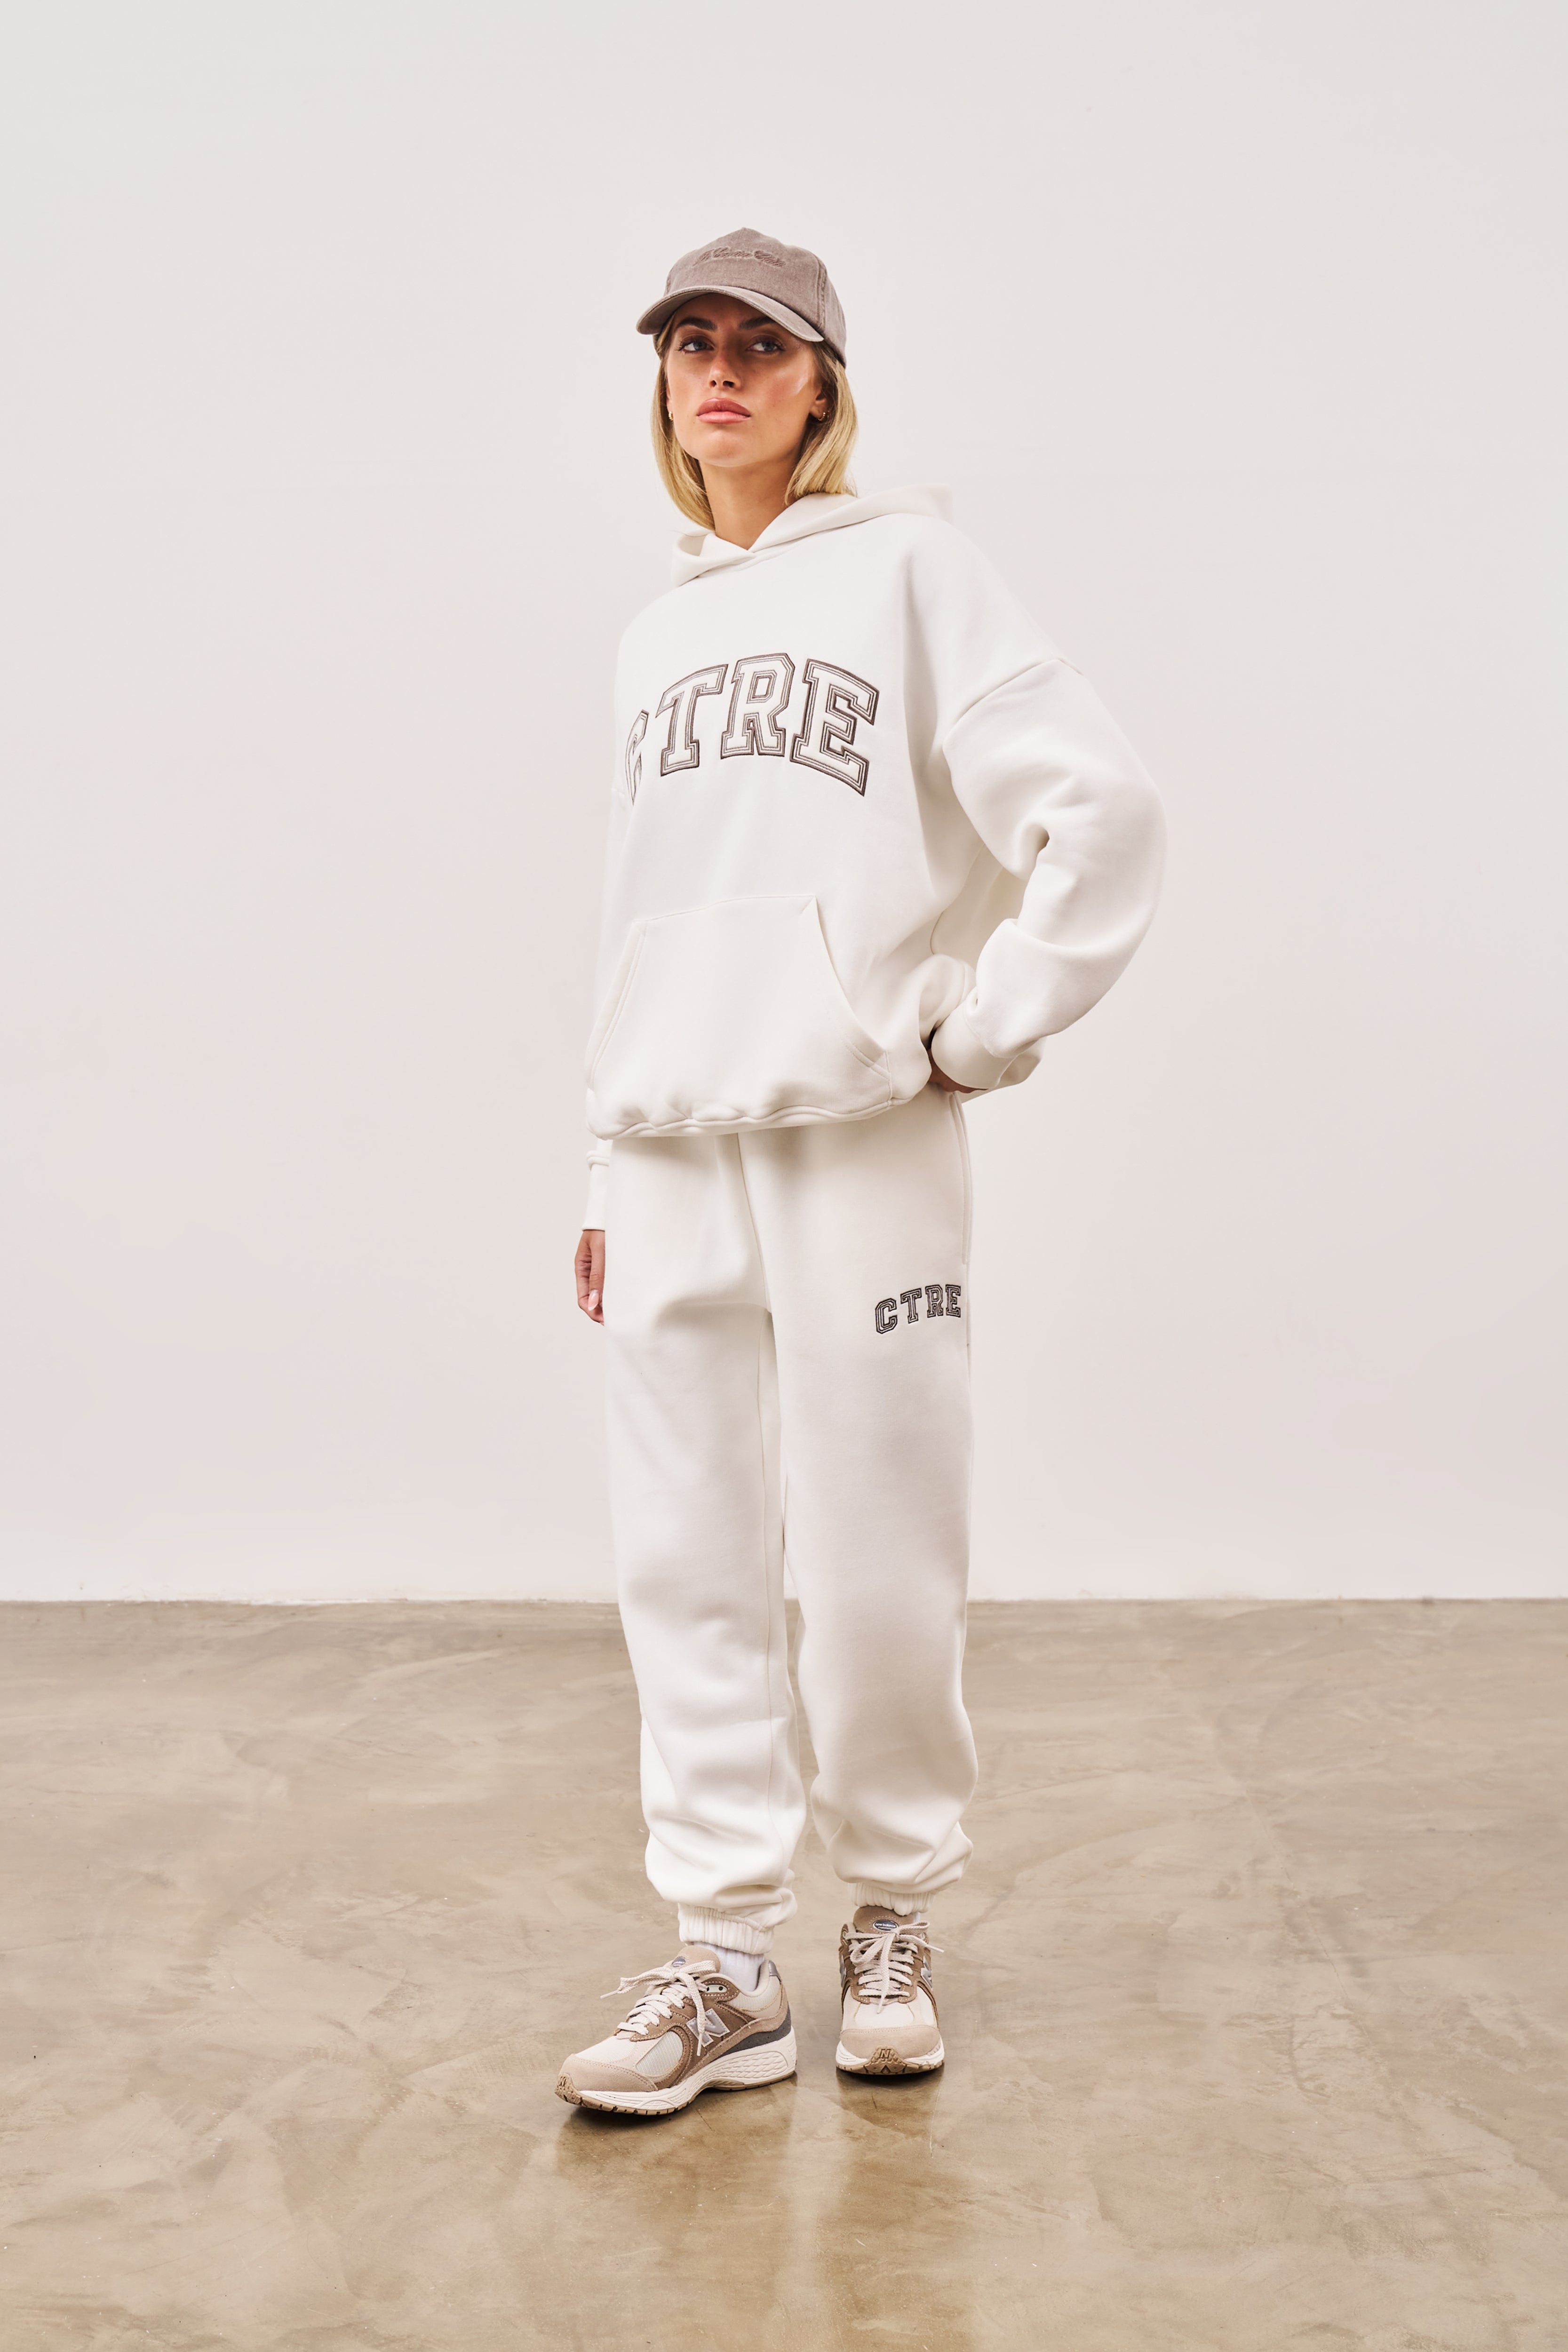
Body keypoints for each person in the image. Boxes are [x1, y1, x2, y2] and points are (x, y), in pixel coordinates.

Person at [555, 230, 1164, 2116]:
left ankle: (891, 1915)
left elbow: (1102, 810)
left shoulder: (915, 573)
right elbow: (640, 911)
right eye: (691, 345)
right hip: (673, 1142)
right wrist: (603, 1160)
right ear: (664, 385)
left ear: (822, 382)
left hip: (860, 1126)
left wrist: (982, 1028)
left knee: (880, 1541)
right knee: (683, 1557)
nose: (719, 373)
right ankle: (727, 1957)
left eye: (759, 345)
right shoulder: (654, 634)